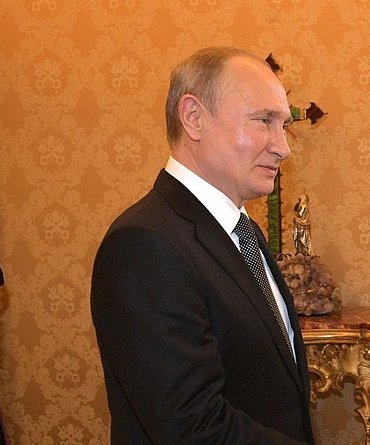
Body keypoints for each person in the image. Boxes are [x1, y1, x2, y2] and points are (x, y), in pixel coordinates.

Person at [91, 47, 314, 444]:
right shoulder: (144, 244)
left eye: (283, 124)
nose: (283, 146)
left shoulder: (241, 230)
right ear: (193, 117)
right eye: (264, 121)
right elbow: (190, 427)